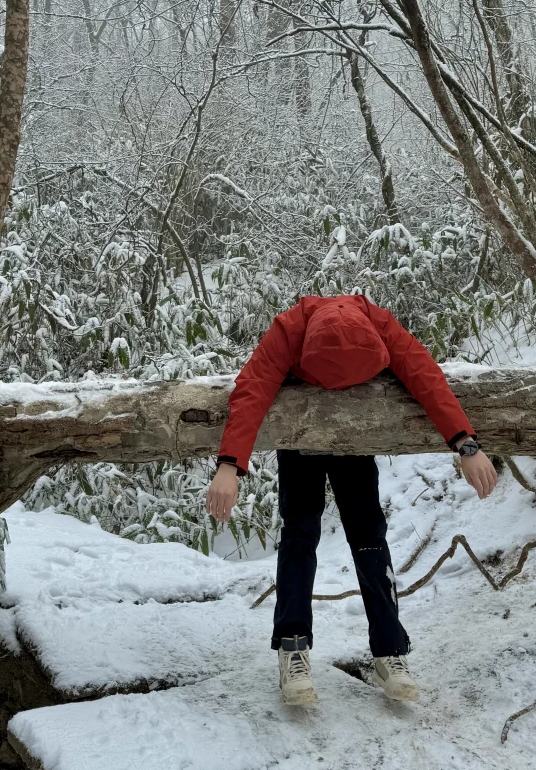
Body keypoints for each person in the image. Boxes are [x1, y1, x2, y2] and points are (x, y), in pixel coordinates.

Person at [205, 294, 497, 706]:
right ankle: (293, 648)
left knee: (368, 536)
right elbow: (252, 389)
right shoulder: (288, 330)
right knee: (300, 535)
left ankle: (389, 651)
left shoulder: (381, 325)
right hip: (300, 439)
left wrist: (465, 443)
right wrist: (229, 466)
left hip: (356, 440)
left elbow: (425, 376)